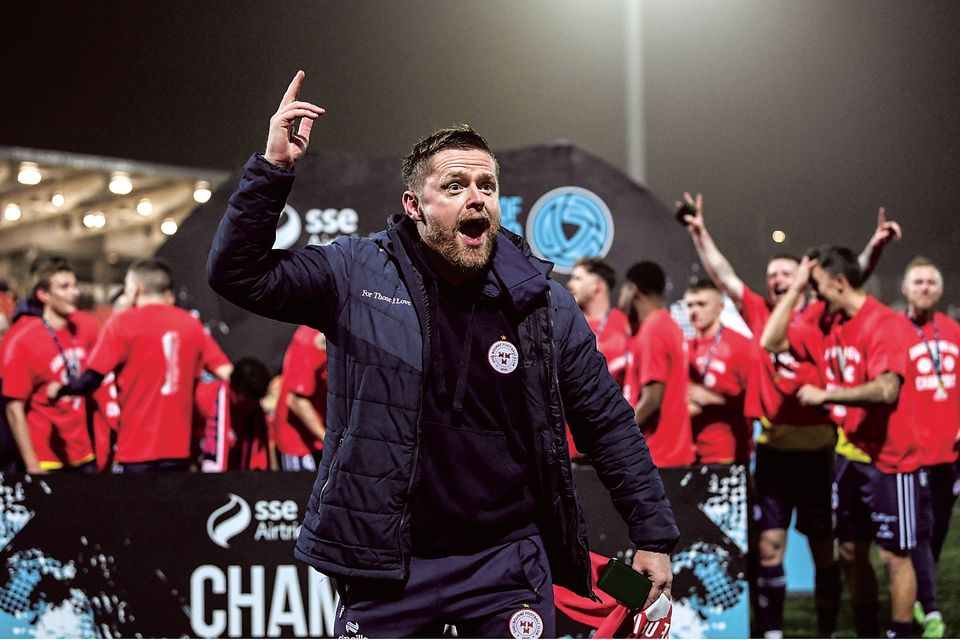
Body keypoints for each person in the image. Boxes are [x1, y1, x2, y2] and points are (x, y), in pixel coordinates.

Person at [206, 70, 679, 638]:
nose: (476, 198)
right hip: (389, 565)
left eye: (487, 185)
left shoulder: (542, 303)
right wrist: (273, 169)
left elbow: (607, 422)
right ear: (414, 204)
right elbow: (238, 275)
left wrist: (653, 535)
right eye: (454, 186)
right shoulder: (355, 273)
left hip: (506, 562)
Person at [680, 193, 899, 638]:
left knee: (824, 549)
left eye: (786, 272)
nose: (778, 280)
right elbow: (723, 274)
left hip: (819, 451)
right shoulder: (760, 312)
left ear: (805, 275)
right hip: (774, 450)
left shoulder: (820, 314)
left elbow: (850, 278)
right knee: (768, 547)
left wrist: (874, 248)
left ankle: (825, 631)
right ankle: (773, 632)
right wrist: (699, 232)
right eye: (772, 276)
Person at [761, 247, 921, 639]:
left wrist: (826, 394)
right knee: (849, 552)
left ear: (839, 283)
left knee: (894, 556)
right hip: (849, 455)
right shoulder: (828, 320)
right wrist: (797, 284)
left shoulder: (884, 323)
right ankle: (867, 631)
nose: (812, 294)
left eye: (816, 286)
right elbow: (771, 340)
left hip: (890, 459)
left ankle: (902, 631)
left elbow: (886, 389)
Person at [52, 258, 232, 473]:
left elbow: (90, 381)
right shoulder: (191, 324)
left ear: (136, 288)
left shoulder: (122, 323)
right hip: (179, 450)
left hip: (135, 449)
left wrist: (61, 389)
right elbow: (226, 372)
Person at [899, 257, 959, 638]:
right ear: (905, 288)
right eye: (918, 281)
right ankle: (931, 607)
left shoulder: (953, 331)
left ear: (940, 289)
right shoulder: (894, 331)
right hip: (911, 453)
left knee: (939, 528)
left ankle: (922, 589)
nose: (924, 288)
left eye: (930, 282)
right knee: (920, 530)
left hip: (948, 453)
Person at [2, 259, 96, 473]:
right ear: (43, 295)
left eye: (75, 285)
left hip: (83, 453)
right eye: (64, 287)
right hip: (46, 458)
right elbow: (14, 407)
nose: (74, 292)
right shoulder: (24, 339)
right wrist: (32, 465)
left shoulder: (84, 328)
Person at [618, 260, 694, 468]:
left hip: (656, 455)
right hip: (668, 454)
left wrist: (616, 438)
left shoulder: (654, 329)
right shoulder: (667, 324)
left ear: (633, 290)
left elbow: (652, 400)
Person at [683, 279, 759, 464]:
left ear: (720, 307)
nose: (694, 311)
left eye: (701, 304)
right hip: (688, 453)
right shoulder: (684, 348)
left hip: (727, 453)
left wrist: (716, 400)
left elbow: (757, 402)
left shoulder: (741, 346)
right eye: (690, 305)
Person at [196, 357, 272, 472]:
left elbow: (259, 460)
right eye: (244, 402)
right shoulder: (203, 397)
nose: (249, 407)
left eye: (253, 402)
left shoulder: (256, 415)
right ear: (232, 389)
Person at [566, 257, 631, 387]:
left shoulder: (625, 324)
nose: (569, 284)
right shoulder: (567, 323)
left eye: (577, 279)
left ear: (598, 286)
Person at [273, 325, 327, 471]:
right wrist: (329, 439)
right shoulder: (307, 341)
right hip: (300, 445)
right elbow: (296, 400)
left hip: (327, 438)